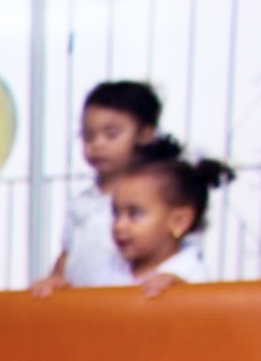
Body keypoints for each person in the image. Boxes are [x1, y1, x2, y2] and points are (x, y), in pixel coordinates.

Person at [30, 81, 183, 296]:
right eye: (88, 136)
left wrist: (173, 280)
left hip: (133, 306)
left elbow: (177, 251)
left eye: (111, 134)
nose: (98, 144)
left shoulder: (156, 196)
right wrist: (55, 280)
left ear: (145, 134)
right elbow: (68, 253)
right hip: (83, 308)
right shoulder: (83, 202)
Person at [108, 154, 235, 297]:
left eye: (134, 214)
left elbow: (206, 315)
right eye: (116, 214)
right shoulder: (112, 267)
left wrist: (181, 294)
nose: (119, 226)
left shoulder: (192, 275)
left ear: (179, 221)